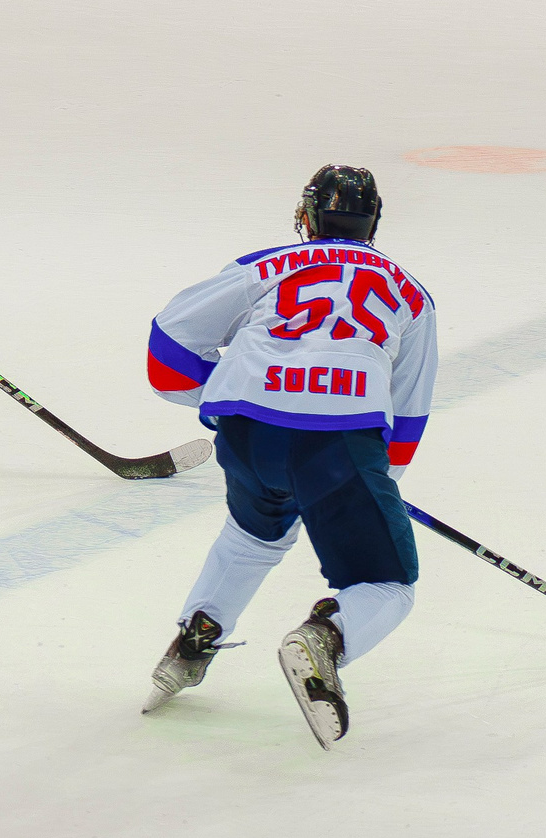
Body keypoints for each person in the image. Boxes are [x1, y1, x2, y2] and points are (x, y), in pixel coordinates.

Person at [137, 166, 438, 747]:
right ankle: (327, 636)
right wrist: (375, 481)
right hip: (340, 442)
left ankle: (193, 643)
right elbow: (407, 417)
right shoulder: (412, 294)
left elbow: (168, 354)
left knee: (253, 535)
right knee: (388, 583)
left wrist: (233, 393)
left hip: (249, 436)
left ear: (307, 216)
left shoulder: (264, 266)